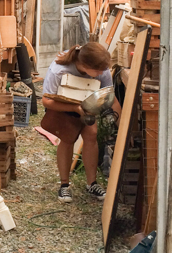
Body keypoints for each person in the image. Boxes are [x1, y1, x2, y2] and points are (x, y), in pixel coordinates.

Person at [41, 42, 121, 204]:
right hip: (62, 105)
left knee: (91, 135)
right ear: (84, 65)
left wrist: (122, 125)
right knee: (68, 138)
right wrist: (76, 108)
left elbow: (110, 97)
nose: (101, 73)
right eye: (97, 71)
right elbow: (46, 101)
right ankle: (64, 184)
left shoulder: (102, 70)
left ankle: (92, 183)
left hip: (88, 104)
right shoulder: (59, 69)